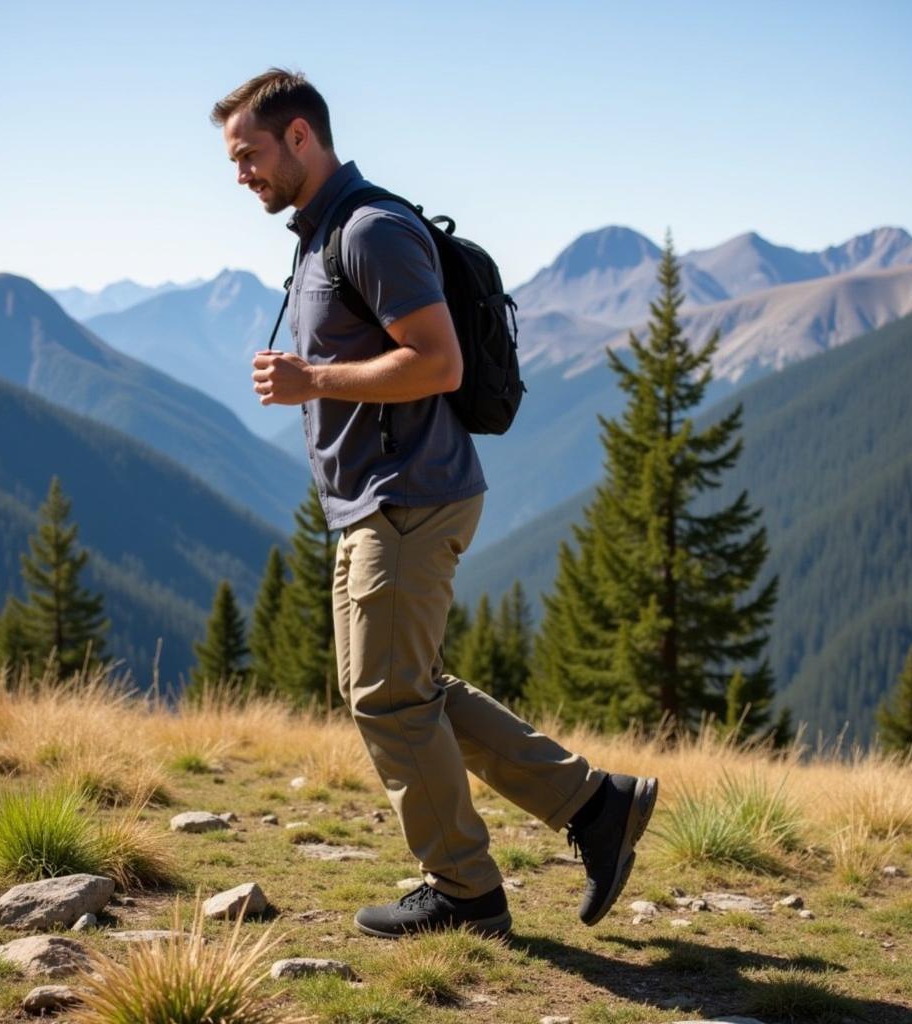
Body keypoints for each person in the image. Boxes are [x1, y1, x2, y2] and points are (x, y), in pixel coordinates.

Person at [212, 68, 657, 940]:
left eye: (249, 154)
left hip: (410, 496)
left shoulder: (370, 229)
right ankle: (595, 804)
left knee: (388, 697)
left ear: (301, 136)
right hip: (377, 501)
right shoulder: (321, 231)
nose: (241, 175)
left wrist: (313, 379)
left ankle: (466, 893)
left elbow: (438, 362)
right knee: (399, 691)